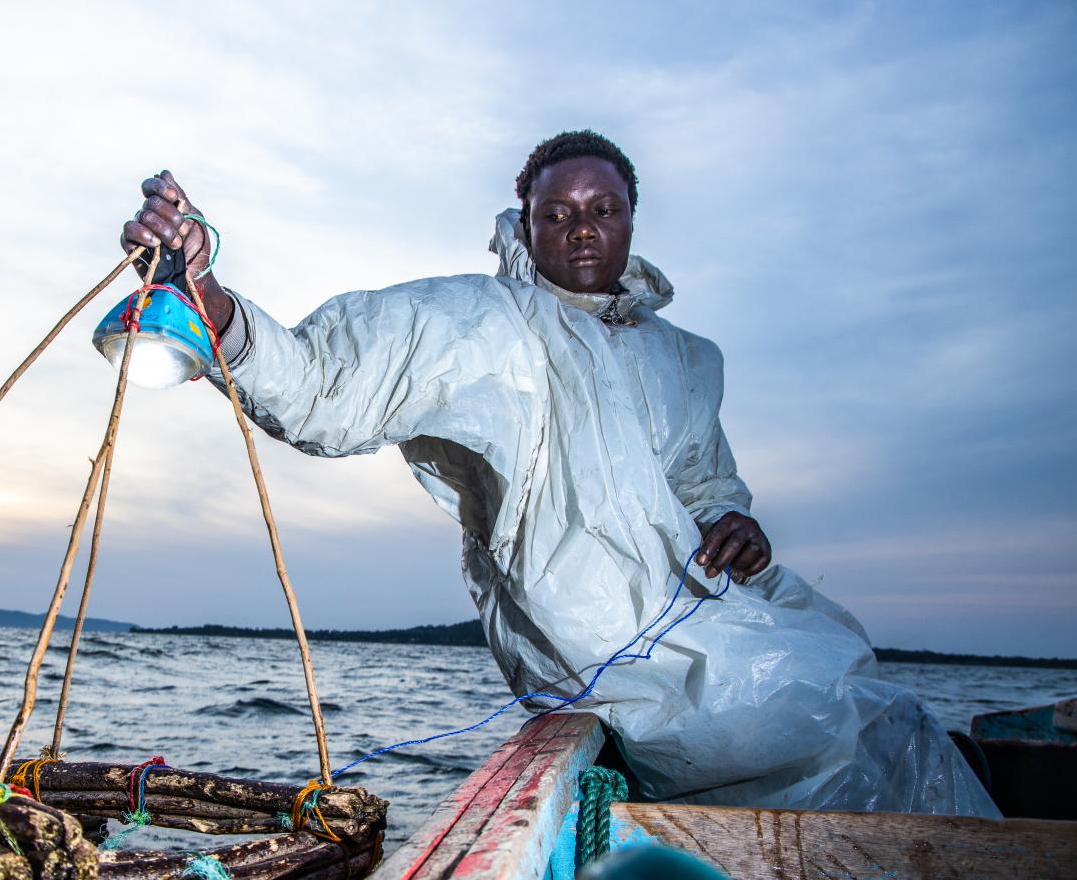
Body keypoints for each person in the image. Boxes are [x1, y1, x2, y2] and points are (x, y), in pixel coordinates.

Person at [121, 130, 997, 816]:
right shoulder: (483, 326)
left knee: (888, 719)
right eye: (557, 212)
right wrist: (214, 301)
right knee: (840, 728)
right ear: (525, 223)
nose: (581, 227)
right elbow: (323, 383)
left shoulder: (689, 358)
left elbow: (704, 478)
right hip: (585, 645)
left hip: (708, 616)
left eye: (604, 208)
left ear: (631, 219)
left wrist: (737, 521)